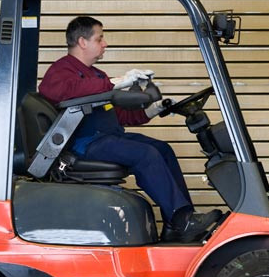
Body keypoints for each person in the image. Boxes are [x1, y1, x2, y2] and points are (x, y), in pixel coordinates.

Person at [38, 16, 221, 243]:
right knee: (146, 154)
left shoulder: (97, 75)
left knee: (163, 149)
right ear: (83, 42)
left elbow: (119, 115)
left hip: (109, 138)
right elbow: (61, 91)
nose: (105, 44)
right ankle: (182, 219)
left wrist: (154, 109)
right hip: (84, 145)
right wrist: (118, 82)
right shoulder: (60, 71)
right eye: (100, 38)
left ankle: (178, 225)